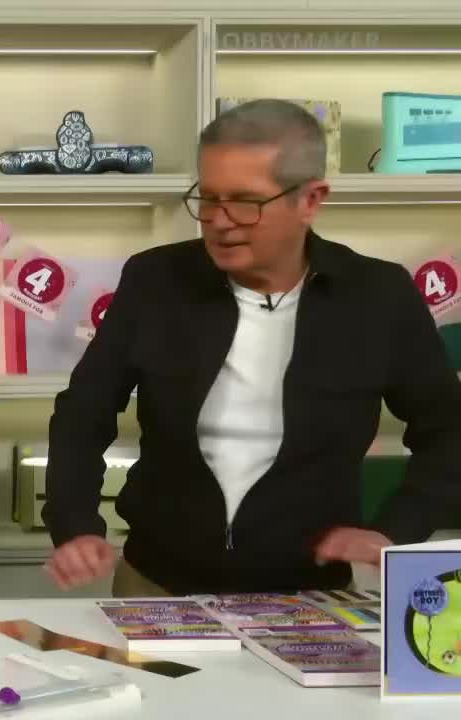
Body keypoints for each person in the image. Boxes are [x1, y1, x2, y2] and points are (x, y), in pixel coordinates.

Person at [42, 98, 461, 597]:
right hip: (156, 582)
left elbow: (448, 432)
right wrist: (74, 522)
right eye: (209, 198)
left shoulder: (379, 297)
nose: (219, 220)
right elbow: (83, 411)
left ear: (310, 199)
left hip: (313, 595)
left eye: (245, 201)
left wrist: (394, 530)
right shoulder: (155, 280)